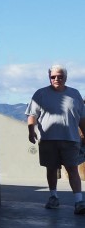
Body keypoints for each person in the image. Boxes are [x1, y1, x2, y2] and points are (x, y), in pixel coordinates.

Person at [26, 64, 85, 215]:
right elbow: (32, 115)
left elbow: (82, 118)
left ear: (66, 77)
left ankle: (79, 201)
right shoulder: (40, 94)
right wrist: (31, 131)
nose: (56, 79)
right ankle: (53, 197)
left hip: (71, 139)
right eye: (53, 77)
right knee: (51, 169)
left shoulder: (75, 94)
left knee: (72, 169)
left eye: (60, 76)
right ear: (49, 78)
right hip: (48, 139)